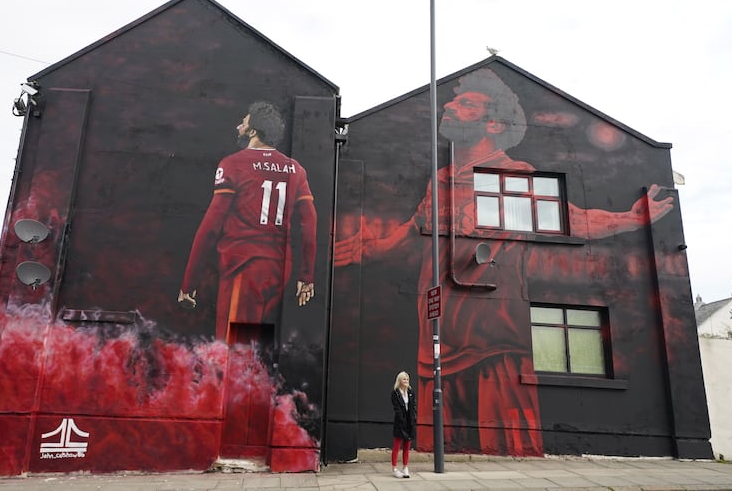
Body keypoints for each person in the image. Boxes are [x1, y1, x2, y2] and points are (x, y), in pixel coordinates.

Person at [335, 69, 674, 456]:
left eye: (466, 104)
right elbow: (412, 229)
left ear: (495, 123)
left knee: (504, 441)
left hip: (494, 345)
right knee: (434, 446)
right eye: (452, 100)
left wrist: (630, 220)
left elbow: (572, 218)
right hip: (437, 346)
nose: (448, 104)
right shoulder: (440, 180)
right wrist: (366, 247)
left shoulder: (513, 178)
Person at [178, 101, 317, 343]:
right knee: (252, 342)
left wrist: (190, 281)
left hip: (245, 265)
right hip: (278, 269)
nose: (239, 127)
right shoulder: (296, 169)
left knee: (234, 348)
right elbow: (310, 224)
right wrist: (306, 276)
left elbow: (210, 227)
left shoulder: (234, 164)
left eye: (243, 123)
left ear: (253, 130)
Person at [391, 371, 417, 478]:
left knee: (407, 446)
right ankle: (394, 468)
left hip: (409, 422)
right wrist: (402, 420)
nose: (406, 381)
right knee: (397, 446)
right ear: (399, 381)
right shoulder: (395, 393)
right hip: (400, 422)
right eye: (404, 379)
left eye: (407, 379)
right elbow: (397, 408)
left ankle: (405, 467)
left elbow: (414, 406)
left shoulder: (410, 392)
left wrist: (414, 418)